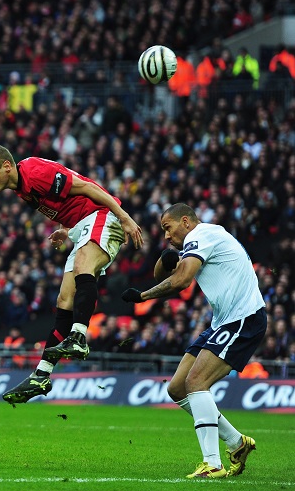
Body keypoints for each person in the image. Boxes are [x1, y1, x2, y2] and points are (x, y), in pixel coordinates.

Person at [0, 144, 143, 405]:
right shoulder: (22, 189)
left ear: (6, 166)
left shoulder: (35, 172)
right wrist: (66, 230)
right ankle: (41, 374)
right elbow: (68, 204)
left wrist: (124, 217)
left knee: (82, 267)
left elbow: (87, 188)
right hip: (81, 226)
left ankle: (78, 337)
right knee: (64, 300)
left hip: (102, 215)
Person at [121, 203, 265, 478]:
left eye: (168, 227)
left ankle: (212, 463)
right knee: (177, 388)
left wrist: (143, 297)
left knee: (196, 382)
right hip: (223, 321)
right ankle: (237, 443)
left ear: (185, 222)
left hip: (244, 318)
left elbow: (182, 281)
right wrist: (166, 259)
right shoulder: (200, 241)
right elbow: (162, 274)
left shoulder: (203, 235)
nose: (165, 235)